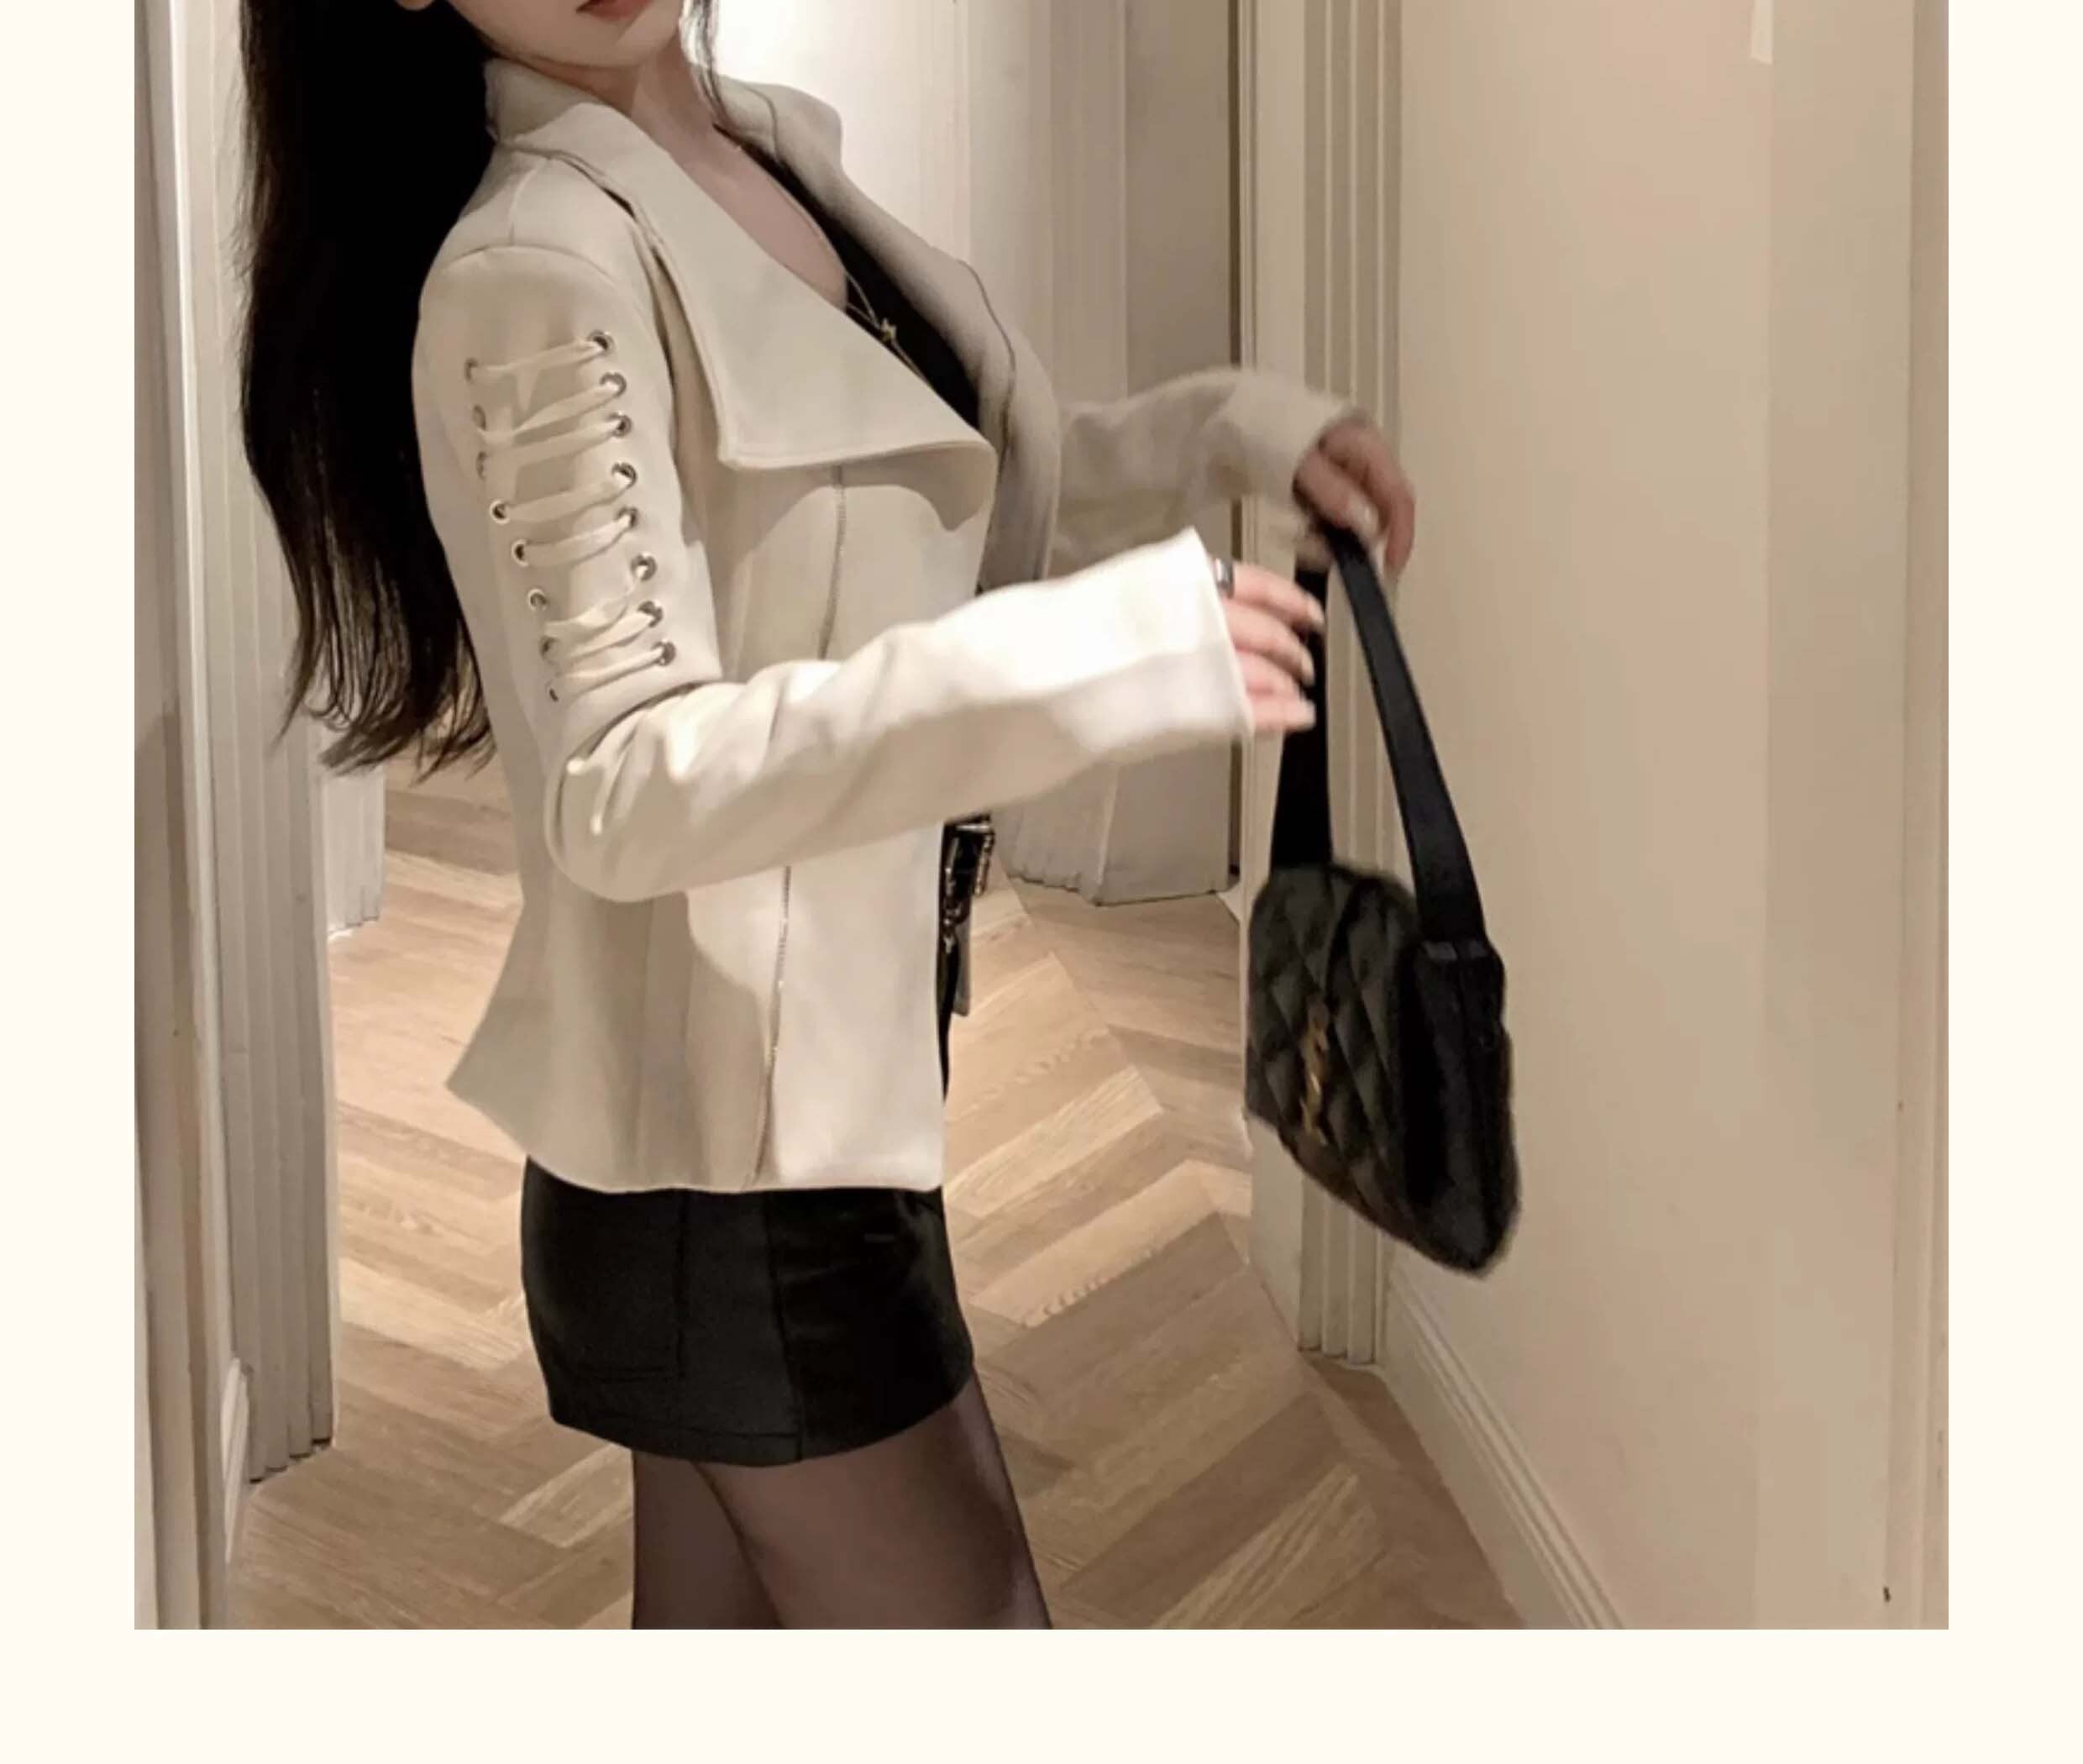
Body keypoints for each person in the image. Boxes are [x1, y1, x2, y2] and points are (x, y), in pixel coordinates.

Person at [239, 0, 1417, 1629]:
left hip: (809, 1116)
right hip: (727, 1183)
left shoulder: (767, 146)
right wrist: (1092, 659)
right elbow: (621, 780)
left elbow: (961, 490)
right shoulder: (536, 270)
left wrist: (1229, 435)